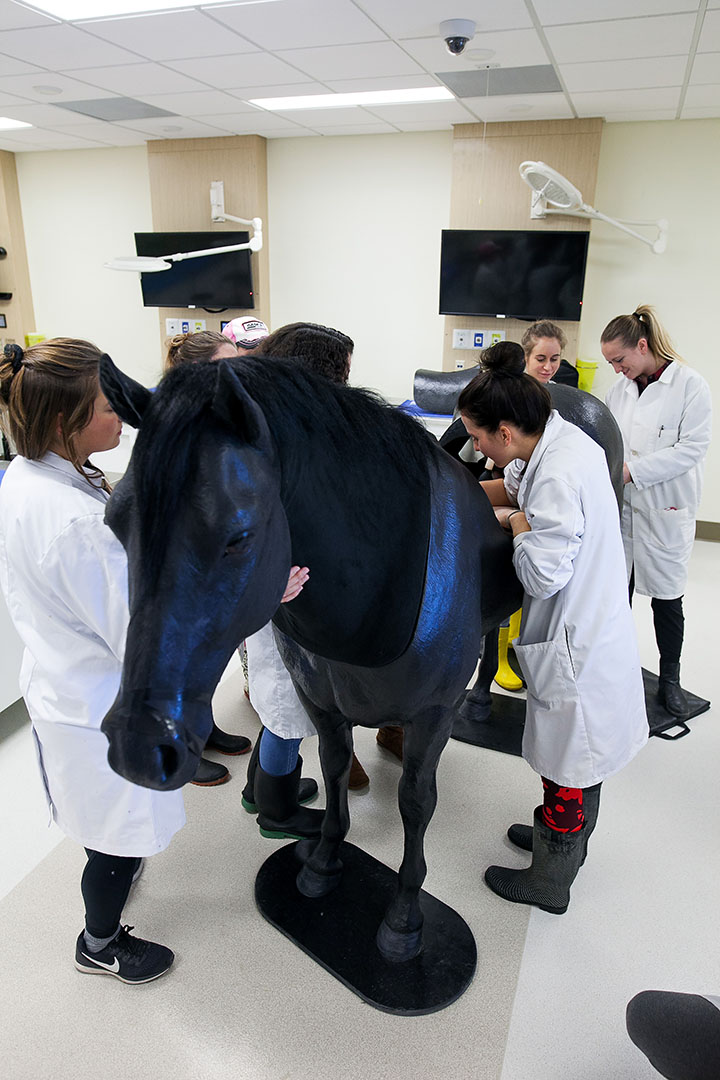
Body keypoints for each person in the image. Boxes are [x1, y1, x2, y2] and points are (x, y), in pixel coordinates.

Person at [0, 338, 185, 983]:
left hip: (64, 684)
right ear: (62, 422)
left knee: (104, 825)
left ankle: (109, 896)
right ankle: (99, 943)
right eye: (109, 405)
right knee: (113, 840)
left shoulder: (29, 475)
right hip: (96, 705)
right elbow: (140, 634)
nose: (123, 415)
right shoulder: (73, 521)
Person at [457, 340, 648, 914]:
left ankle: (550, 878)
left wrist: (513, 521)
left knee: (569, 764)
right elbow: (513, 483)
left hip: (575, 641)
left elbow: (540, 574)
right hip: (594, 625)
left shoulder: (557, 476)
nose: (476, 446)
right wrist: (457, 492)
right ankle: (559, 842)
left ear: (507, 431)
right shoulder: (560, 437)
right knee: (576, 758)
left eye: (479, 436)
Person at [601, 306, 712, 719]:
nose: (616, 369)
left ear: (642, 346)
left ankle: (670, 680)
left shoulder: (690, 385)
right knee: (616, 596)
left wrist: (633, 470)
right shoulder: (620, 390)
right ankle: (614, 672)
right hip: (625, 511)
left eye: (620, 360)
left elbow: (691, 449)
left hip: (666, 509)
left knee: (667, 601)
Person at [521, 319, 566, 384]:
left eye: (554, 359)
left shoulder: (558, 390)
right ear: (525, 357)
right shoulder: (510, 390)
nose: (547, 368)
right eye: (540, 360)